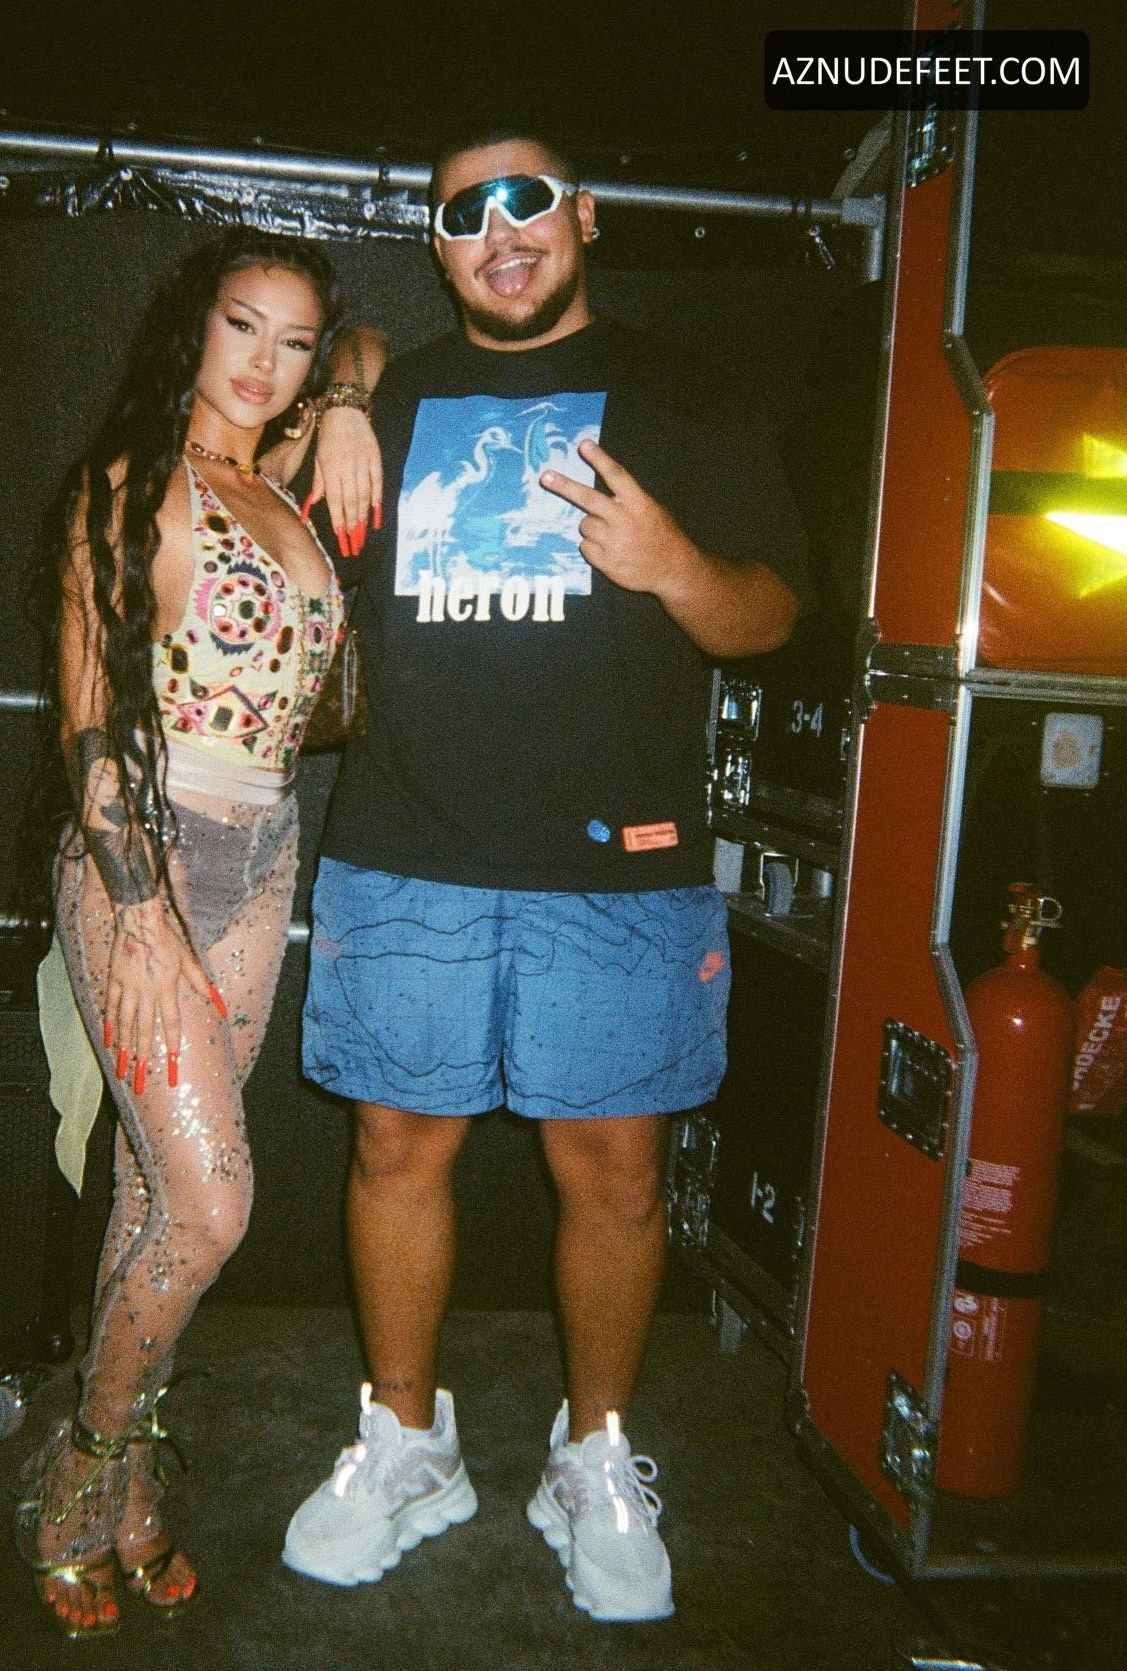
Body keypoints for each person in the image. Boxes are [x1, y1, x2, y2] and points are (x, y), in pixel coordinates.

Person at [281, 131, 811, 1623]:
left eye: (527, 199)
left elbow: (773, 615)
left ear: (583, 215)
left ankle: (595, 1453)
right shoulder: (387, 399)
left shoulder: (687, 394)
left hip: (621, 866)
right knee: (394, 1147)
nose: (500, 230)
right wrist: (340, 396)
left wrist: (672, 566)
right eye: (466, 210)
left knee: (619, 1170)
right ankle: (408, 1442)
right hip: (408, 845)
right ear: (437, 242)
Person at [18, 227, 362, 1638]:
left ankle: (133, 1489)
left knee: (155, 1199)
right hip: (142, 862)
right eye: (241, 326)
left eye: (294, 341)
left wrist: (347, 400)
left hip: (267, 857)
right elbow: (89, 721)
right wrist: (143, 911)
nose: (264, 361)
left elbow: (371, 349)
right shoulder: (130, 487)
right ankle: (81, 1465)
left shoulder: (279, 482)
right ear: (191, 327)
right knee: (214, 1207)